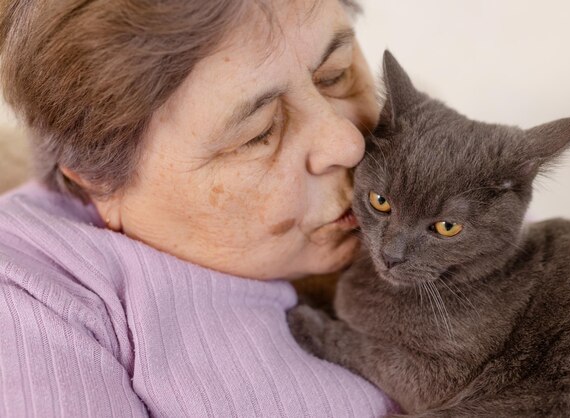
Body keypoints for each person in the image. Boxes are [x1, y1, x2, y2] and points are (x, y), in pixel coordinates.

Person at [0, 0, 401, 416]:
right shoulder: (28, 297)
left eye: (335, 75)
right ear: (100, 181)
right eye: (259, 133)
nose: (349, 143)